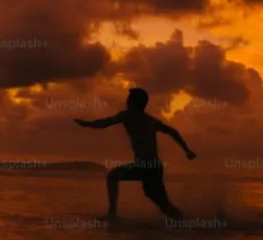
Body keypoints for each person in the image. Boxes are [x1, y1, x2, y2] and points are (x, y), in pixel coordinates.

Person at [75, 88, 196, 220]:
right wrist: (187, 150)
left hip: (145, 164)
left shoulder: (127, 115)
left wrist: (86, 124)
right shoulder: (151, 120)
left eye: (129, 99)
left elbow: (105, 123)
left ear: (133, 102)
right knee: (160, 201)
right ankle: (186, 221)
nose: (126, 101)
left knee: (113, 176)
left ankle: (112, 214)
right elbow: (172, 132)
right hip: (154, 165)